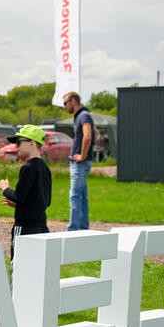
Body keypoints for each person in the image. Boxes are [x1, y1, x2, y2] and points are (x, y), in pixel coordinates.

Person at [0, 125, 52, 257]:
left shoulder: (28, 168)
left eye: (19, 142)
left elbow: (18, 196)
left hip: (25, 227)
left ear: (31, 143)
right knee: (35, 263)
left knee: (18, 262)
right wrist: (20, 206)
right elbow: (45, 201)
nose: (16, 146)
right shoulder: (45, 168)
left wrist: (5, 188)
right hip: (41, 227)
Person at [63, 91, 94, 231]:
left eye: (65, 103)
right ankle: (82, 228)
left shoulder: (83, 115)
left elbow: (88, 136)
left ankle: (73, 230)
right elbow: (95, 133)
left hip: (80, 163)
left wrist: (82, 155)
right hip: (79, 163)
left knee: (75, 195)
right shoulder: (81, 116)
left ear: (73, 101)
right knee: (82, 196)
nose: (64, 107)